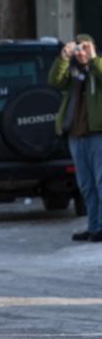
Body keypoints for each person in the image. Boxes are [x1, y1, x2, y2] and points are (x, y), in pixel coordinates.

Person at [49, 34, 102, 242]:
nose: (81, 53)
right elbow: (54, 81)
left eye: (85, 48)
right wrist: (63, 57)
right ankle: (94, 226)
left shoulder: (97, 68)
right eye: (78, 49)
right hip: (76, 136)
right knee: (86, 186)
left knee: (101, 183)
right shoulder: (73, 72)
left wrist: (93, 59)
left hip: (98, 135)